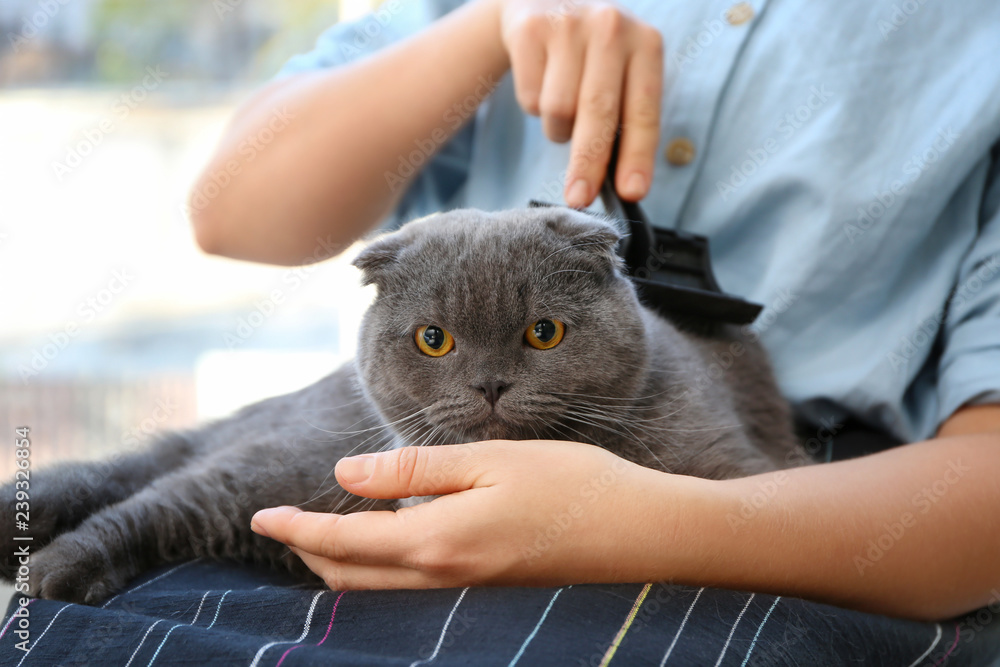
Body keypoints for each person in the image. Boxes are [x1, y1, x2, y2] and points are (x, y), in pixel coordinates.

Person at [183, 0, 1000, 662]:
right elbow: (233, 211)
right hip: (438, 443)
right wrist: (490, 23)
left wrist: (646, 528)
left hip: (817, 519)